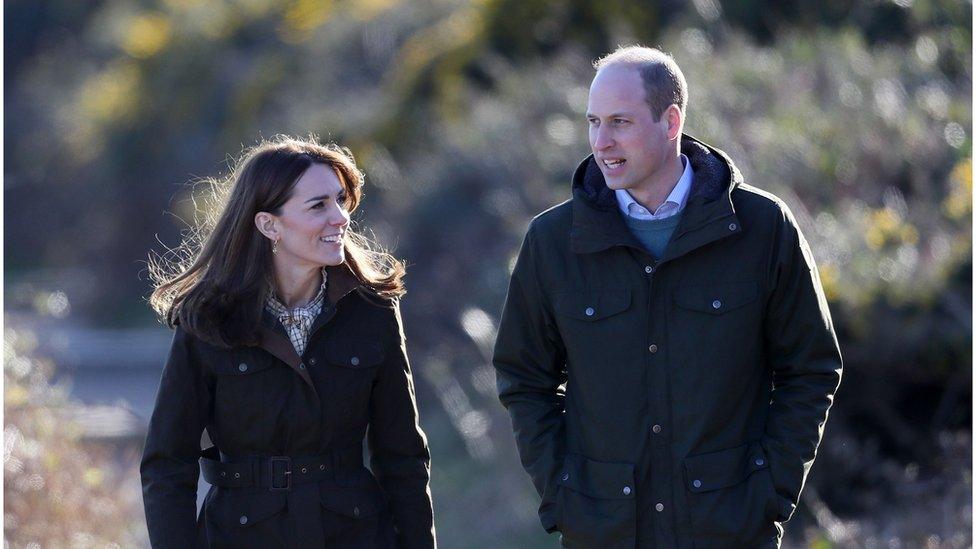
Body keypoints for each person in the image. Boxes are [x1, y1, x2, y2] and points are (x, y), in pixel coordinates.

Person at [492, 46, 842, 548]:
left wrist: (770, 492)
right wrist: (564, 495)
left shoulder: (763, 228)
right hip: (605, 534)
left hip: (730, 531)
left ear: (671, 120)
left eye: (619, 122)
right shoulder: (551, 241)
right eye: (593, 122)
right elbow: (525, 380)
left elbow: (810, 368)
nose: (601, 142)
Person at [142, 135, 436, 548]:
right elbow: (168, 465)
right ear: (269, 224)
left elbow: (402, 455)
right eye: (318, 205)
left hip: (355, 534)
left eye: (340, 200)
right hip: (240, 536)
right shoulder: (208, 318)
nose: (340, 218)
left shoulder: (373, 310)